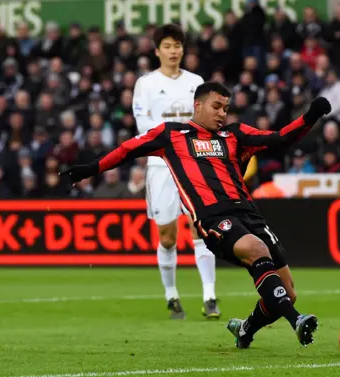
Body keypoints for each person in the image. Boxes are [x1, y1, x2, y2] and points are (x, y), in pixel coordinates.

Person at [60, 81, 332, 348]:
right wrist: (92, 169)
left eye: (225, 108)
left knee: (287, 292)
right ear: (197, 105)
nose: (221, 114)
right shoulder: (172, 135)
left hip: (250, 214)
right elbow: (128, 149)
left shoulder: (235, 135)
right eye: (216, 106)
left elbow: (280, 138)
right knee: (256, 249)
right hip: (213, 219)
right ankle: (297, 321)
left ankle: (245, 329)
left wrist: (311, 116)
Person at [131, 24, 218, 320]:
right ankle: (171, 296)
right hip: (161, 165)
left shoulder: (196, 81)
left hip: (194, 163)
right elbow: (143, 126)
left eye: (177, 45)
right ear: (157, 51)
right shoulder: (145, 84)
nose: (173, 51)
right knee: (167, 237)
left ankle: (210, 296)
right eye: (167, 46)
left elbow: (207, 119)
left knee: (201, 228)